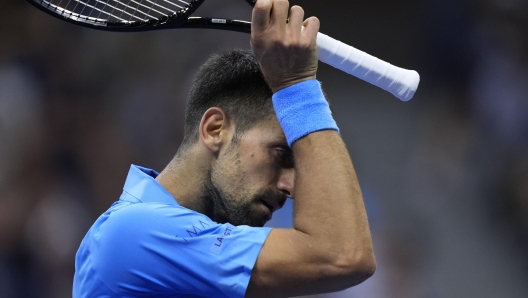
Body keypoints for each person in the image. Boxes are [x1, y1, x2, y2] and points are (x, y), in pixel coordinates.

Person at [73, 0, 376, 297]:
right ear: (215, 130)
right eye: (281, 155)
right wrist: (296, 85)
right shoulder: (134, 234)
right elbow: (343, 255)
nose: (291, 187)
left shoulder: (190, 254)